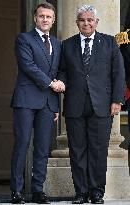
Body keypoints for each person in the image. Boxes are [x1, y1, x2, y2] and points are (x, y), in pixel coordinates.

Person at [57, 4, 125, 204]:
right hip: (75, 105)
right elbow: (62, 71)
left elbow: (118, 73)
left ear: (96, 22)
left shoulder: (109, 43)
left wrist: (117, 100)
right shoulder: (67, 45)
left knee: (98, 151)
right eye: (82, 20)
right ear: (77, 22)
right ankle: (80, 192)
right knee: (77, 151)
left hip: (102, 105)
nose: (86, 23)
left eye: (90, 20)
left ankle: (96, 192)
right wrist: (61, 81)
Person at [10, 2, 64, 204]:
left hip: (48, 104)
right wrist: (52, 83)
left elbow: (60, 71)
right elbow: (28, 66)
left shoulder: (58, 44)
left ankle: (38, 190)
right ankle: (17, 191)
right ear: (35, 18)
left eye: (49, 17)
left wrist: (56, 103)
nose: (45, 20)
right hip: (26, 100)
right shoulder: (24, 39)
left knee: (43, 148)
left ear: (53, 20)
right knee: (22, 145)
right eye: (41, 16)